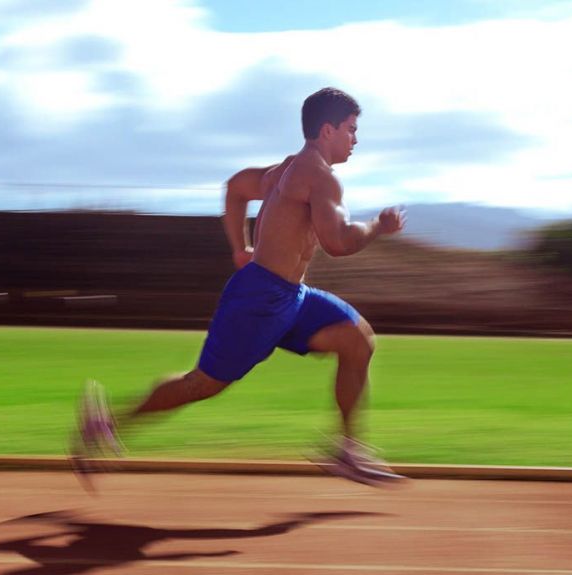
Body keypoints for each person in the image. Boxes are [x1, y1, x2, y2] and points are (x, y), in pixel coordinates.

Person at [72, 87, 406, 486]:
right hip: (260, 299)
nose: (356, 139)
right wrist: (378, 228)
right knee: (202, 384)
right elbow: (337, 242)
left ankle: (347, 450)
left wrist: (239, 247)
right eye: (352, 129)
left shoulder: (285, 170)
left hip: (290, 296)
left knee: (358, 340)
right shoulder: (319, 178)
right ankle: (107, 422)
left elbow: (236, 187)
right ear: (328, 130)